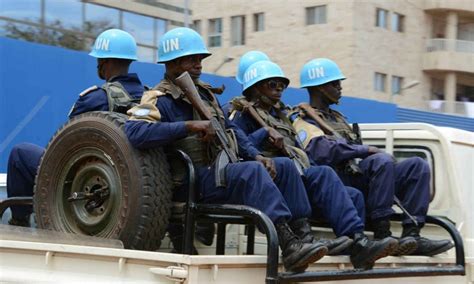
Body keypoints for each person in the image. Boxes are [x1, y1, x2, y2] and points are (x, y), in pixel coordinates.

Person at [125, 27, 328, 273]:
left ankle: (303, 235)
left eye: (200, 59)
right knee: (251, 173)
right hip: (191, 181)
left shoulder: (206, 96)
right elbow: (134, 132)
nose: (199, 64)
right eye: (192, 59)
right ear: (173, 62)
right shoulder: (158, 98)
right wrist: (189, 126)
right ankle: (287, 243)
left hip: (218, 172)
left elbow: (232, 130)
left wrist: (257, 154)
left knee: (283, 166)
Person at [228, 59, 398, 269]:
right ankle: (304, 237)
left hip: (296, 171)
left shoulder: (281, 115)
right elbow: (237, 150)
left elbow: (299, 147)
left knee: (335, 181)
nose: (279, 89)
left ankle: (357, 242)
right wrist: (263, 134)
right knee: (292, 167)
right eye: (273, 84)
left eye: (282, 85)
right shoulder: (241, 114)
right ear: (255, 88)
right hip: (271, 176)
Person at [294, 58, 454, 256]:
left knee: (417, 165)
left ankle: (412, 233)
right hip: (340, 184)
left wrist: (364, 151)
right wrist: (366, 150)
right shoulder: (303, 123)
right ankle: (381, 232)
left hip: (360, 177)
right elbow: (324, 151)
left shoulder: (338, 119)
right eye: (334, 83)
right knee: (381, 160)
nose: (340, 87)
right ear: (318, 88)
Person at [7, 29, 145, 227]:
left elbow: (64, 144)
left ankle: (19, 222)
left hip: (90, 174)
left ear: (104, 62)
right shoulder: (150, 97)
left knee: (20, 154)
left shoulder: (95, 98)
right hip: (138, 182)